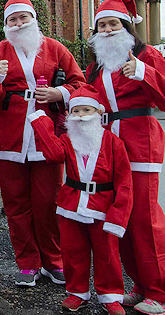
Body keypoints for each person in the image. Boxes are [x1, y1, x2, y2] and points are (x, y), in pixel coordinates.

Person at [0, 0, 85, 286]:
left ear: (33, 19)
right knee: (16, 205)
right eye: (12, 19)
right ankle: (27, 263)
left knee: (48, 202)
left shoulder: (55, 48)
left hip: (47, 137)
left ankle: (53, 261)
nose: (18, 23)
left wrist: (59, 94)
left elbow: (80, 84)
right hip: (9, 138)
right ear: (6, 25)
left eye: (23, 17)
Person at [85, 0, 165, 314]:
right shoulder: (95, 68)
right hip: (111, 151)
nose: (106, 30)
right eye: (101, 25)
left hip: (141, 144)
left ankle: (159, 291)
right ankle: (141, 285)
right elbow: (86, 98)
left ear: (127, 27)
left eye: (113, 24)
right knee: (123, 221)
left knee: (146, 222)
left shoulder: (147, 57)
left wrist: (143, 73)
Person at [29, 85, 132, 315]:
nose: (81, 116)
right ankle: (77, 293)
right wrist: (41, 122)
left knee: (107, 255)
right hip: (72, 205)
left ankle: (110, 296)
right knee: (73, 252)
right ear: (69, 115)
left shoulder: (114, 143)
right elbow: (53, 155)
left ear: (98, 113)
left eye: (87, 110)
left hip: (103, 208)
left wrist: (118, 215)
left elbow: (125, 183)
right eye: (76, 111)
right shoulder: (67, 139)